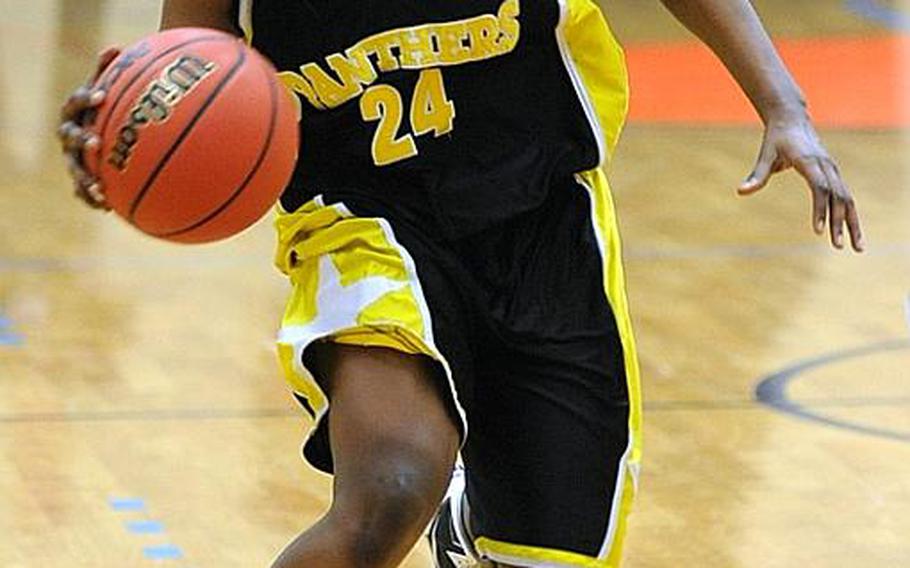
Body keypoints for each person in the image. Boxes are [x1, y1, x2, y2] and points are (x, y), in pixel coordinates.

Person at [58, 0, 864, 566]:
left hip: (543, 217)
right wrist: (119, 133)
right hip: (361, 218)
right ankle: (439, 498)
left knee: (550, 550)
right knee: (392, 486)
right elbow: (188, 65)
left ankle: (470, 521)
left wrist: (783, 105)